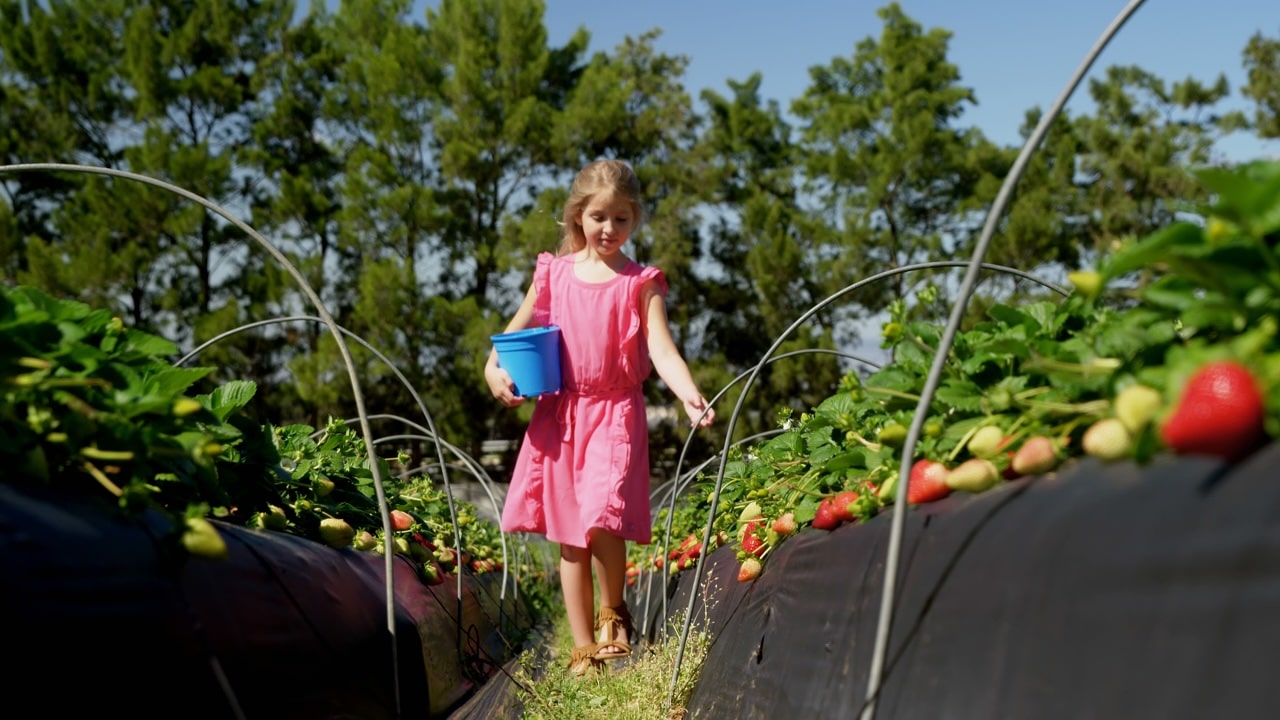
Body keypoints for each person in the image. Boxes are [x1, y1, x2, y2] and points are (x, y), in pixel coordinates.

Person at [484, 158, 716, 677]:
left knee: (603, 518)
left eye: (621, 219)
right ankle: (583, 648)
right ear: (578, 216)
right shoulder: (553, 275)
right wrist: (491, 369)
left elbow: (662, 349)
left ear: (635, 220)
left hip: (614, 411)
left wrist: (687, 394)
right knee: (571, 536)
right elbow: (509, 338)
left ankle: (615, 614)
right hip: (561, 415)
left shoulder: (639, 283)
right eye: (598, 217)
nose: (608, 229)